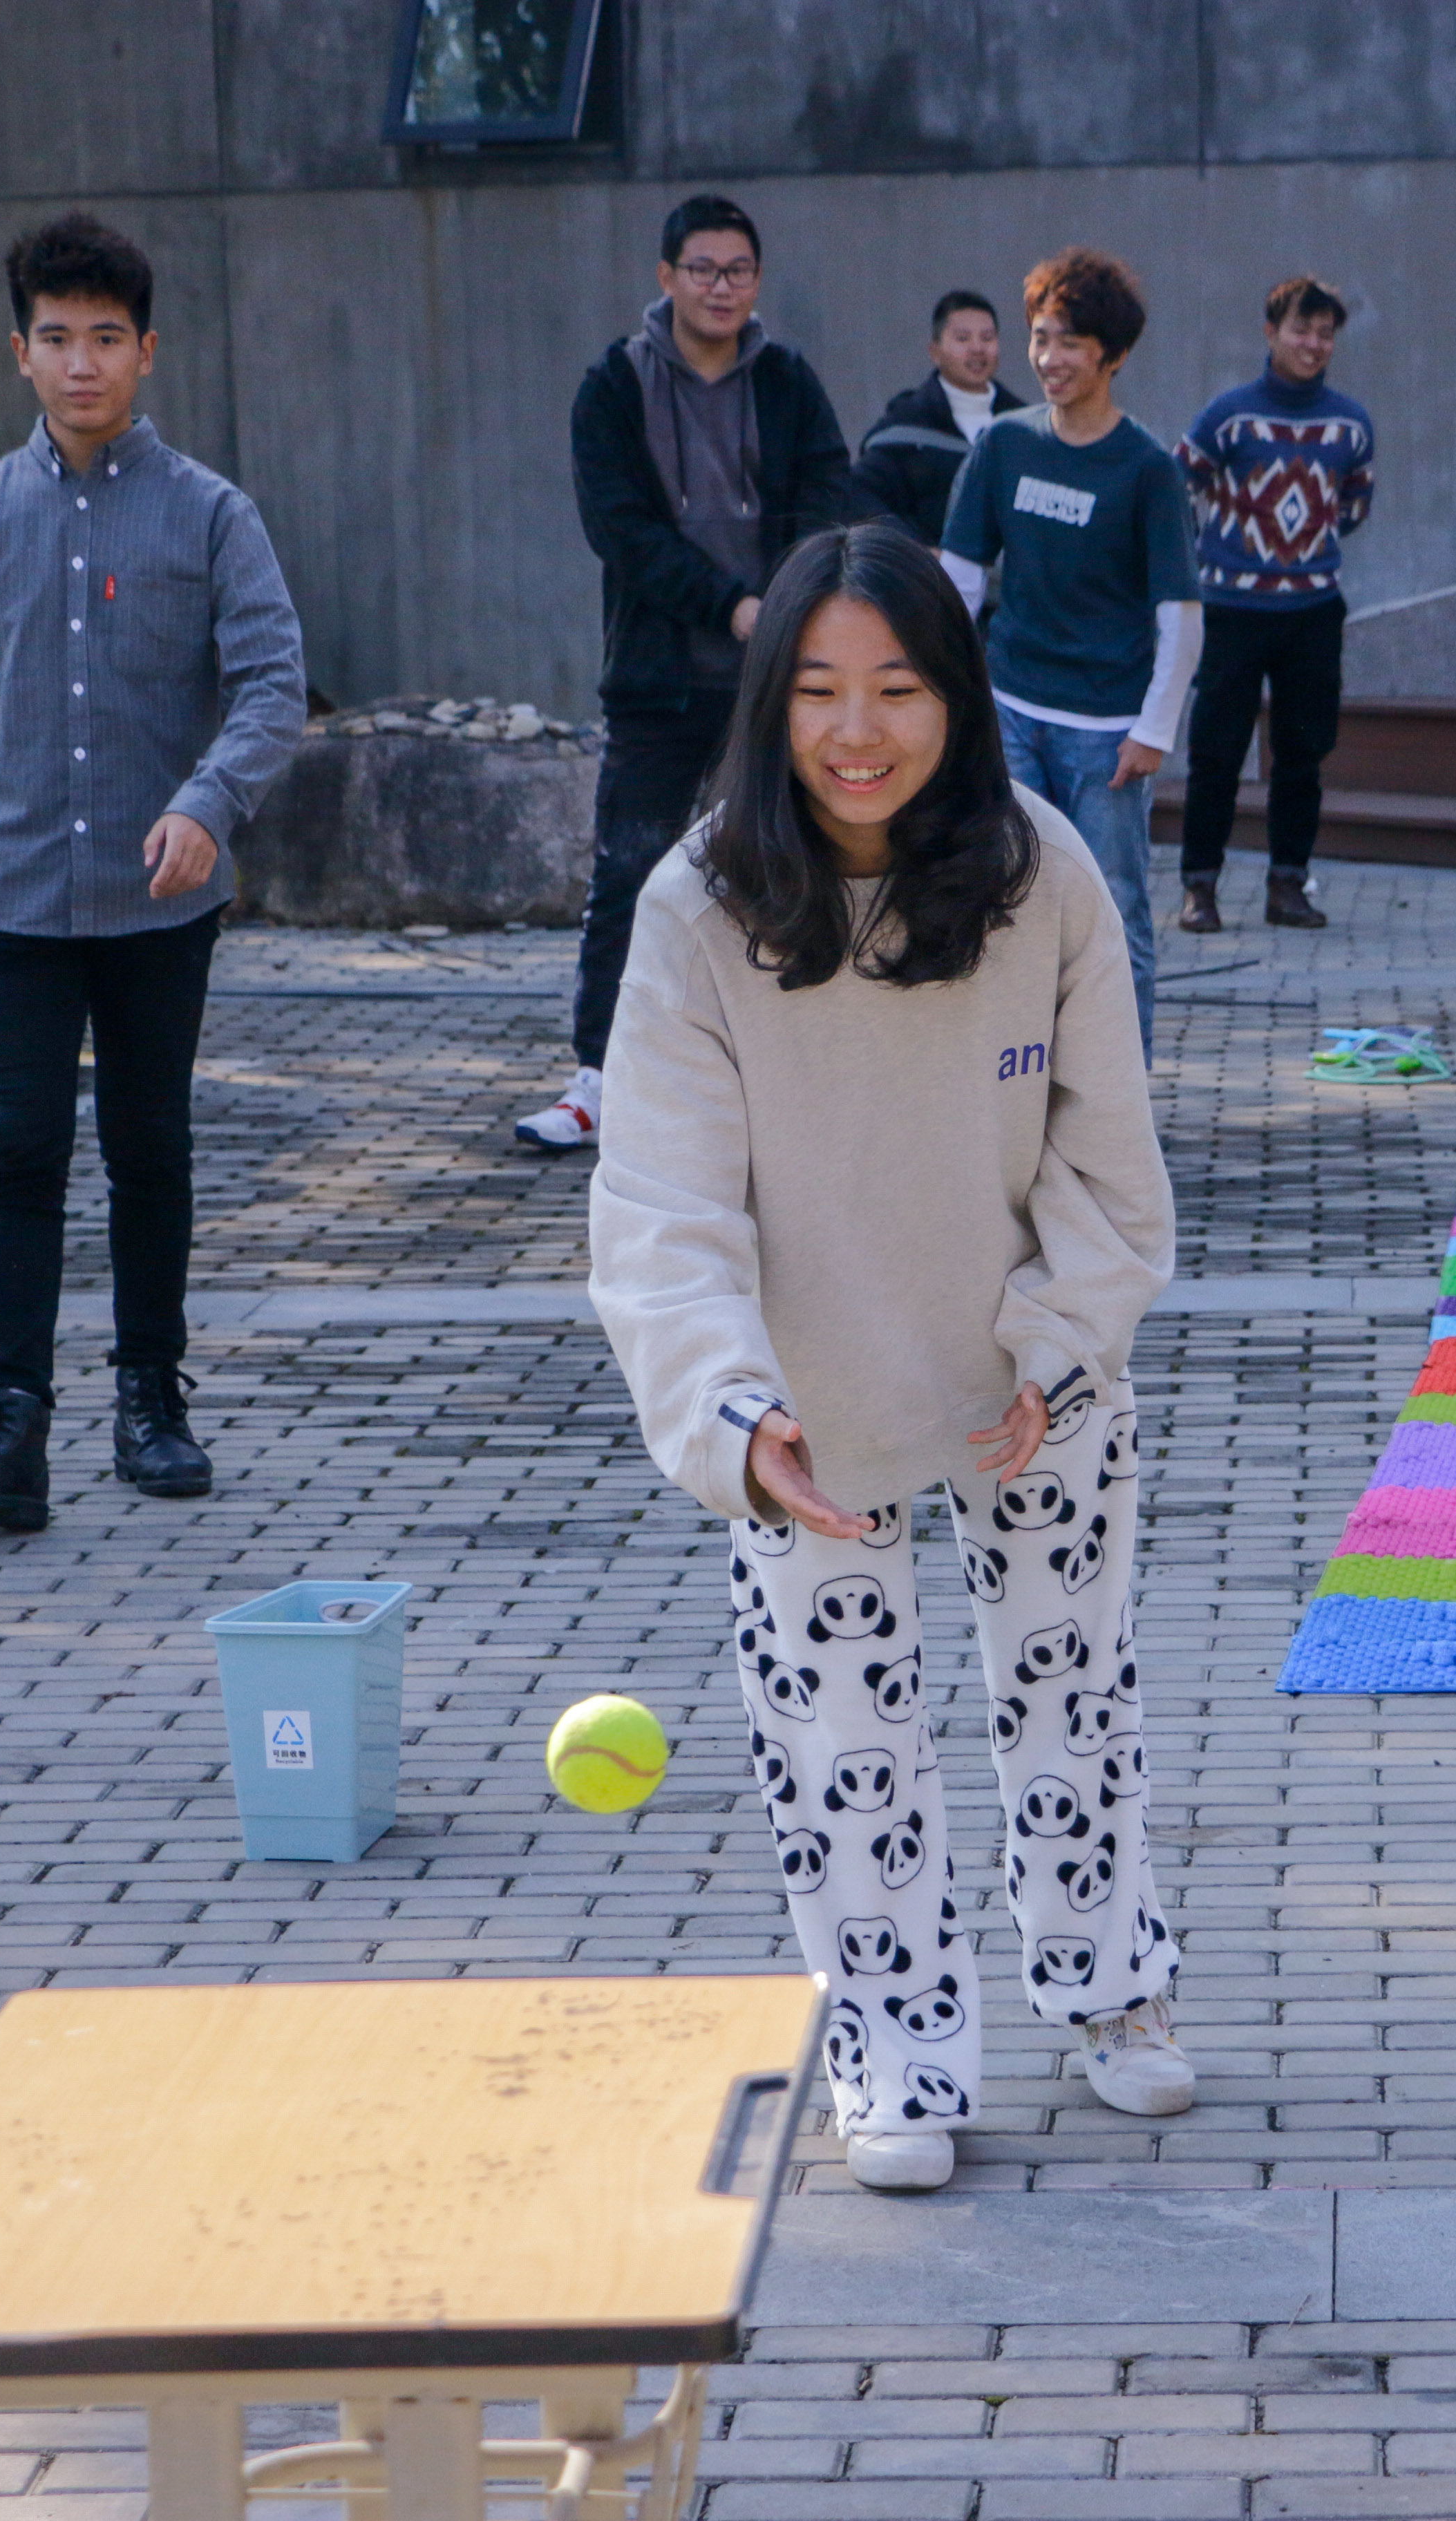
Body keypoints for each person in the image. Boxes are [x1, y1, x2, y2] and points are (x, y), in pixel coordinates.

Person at [587, 522, 1188, 2192]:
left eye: (899, 688)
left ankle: (1111, 1987)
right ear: (770, 702)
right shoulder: (697, 908)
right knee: (841, 1745)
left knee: (1075, 1691)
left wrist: (1054, 1346)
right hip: (805, 1401)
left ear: (958, 696)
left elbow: (1108, 1163)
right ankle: (896, 2044)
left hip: (1034, 1375)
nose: (858, 732)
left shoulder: (1043, 875)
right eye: (819, 690)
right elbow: (662, 1203)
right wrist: (730, 1412)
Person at [0, 214, 307, 1531]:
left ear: (146, 351)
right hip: (10, 897)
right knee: (18, 1151)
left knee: (148, 1146)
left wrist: (208, 803)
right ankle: (8, 1424)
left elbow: (273, 685)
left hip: (159, 902)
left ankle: (151, 1400)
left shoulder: (212, 514)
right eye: (55, 338)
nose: (81, 363)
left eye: (105, 338)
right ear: (20, 352)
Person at [522, 194, 868, 1155]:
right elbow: (621, 530)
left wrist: (783, 608)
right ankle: (599, 1081)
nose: (723, 287)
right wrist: (730, 606)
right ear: (667, 276)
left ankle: (790, 1080)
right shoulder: (614, 384)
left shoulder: (788, 380)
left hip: (778, 681)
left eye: (740, 271)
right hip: (659, 684)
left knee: (790, 871)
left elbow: (824, 497)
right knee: (631, 875)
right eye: (704, 269)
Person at [940, 248, 1199, 1060]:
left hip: (1107, 737)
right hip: (1011, 712)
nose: (1049, 359)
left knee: (1112, 910)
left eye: (1071, 344)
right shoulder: (1003, 446)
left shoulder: (1148, 469)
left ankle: (1120, 1096)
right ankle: (1016, 1090)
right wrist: (947, 698)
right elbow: (957, 582)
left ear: (1112, 356)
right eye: (1041, 338)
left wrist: (1153, 731)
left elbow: (1181, 614)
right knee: (1007, 903)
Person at [1173, 274, 1375, 936]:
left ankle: (1288, 884)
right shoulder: (1229, 416)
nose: (1312, 344)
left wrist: (1298, 555)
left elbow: (1354, 506)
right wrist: (1215, 557)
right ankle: (1199, 886)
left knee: (1303, 753)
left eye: (1325, 334)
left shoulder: (1351, 424)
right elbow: (1177, 486)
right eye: (1300, 330)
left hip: (1314, 612)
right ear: (1270, 333)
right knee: (1215, 751)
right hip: (1231, 609)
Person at [855, 289, 1024, 546]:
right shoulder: (907, 428)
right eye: (963, 338)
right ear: (935, 351)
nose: (977, 348)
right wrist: (917, 550)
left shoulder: (1022, 424)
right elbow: (862, 495)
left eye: (987, 338)